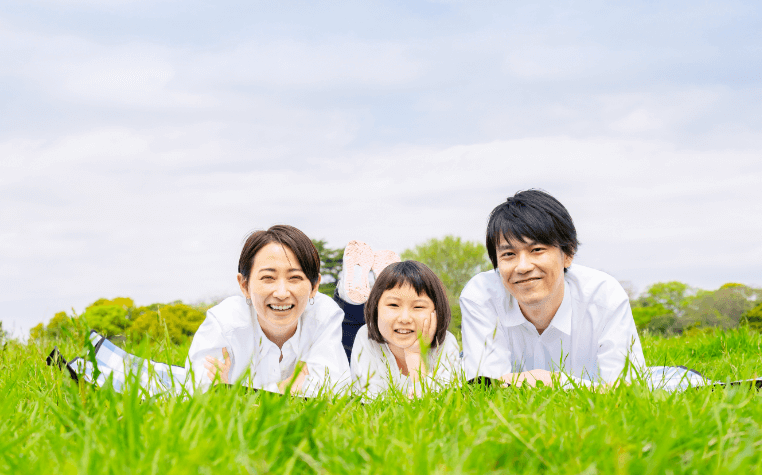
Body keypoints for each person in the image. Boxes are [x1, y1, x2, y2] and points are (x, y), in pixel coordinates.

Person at [65, 225, 352, 397]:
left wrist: (236, 391)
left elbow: (332, 385)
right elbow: (201, 395)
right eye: (267, 277)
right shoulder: (224, 322)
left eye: (295, 278)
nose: (281, 292)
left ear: (314, 287)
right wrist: (291, 384)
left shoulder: (325, 314)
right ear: (244, 284)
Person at [460, 189, 645, 388]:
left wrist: (552, 381)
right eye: (508, 254)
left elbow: (628, 391)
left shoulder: (604, 295)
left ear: (568, 254)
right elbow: (486, 388)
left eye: (537, 250)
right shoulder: (481, 296)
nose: (523, 267)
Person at [349, 260, 462, 399]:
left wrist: (415, 357)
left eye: (418, 307)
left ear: (437, 312)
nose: (405, 318)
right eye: (393, 305)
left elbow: (444, 399)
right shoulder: (366, 338)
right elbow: (368, 398)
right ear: (375, 307)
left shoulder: (445, 343)